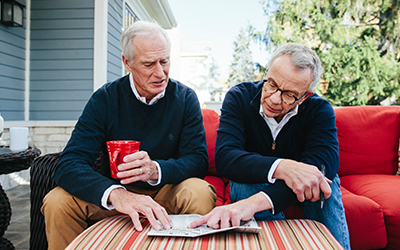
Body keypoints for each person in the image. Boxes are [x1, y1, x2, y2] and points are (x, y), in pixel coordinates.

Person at [41, 21, 216, 250]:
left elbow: (197, 160)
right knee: (57, 201)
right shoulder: (104, 99)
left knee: (200, 192)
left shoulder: (185, 98)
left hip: (165, 191)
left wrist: (155, 169)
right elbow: (69, 163)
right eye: (148, 64)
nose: (160, 72)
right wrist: (116, 193)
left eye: (164, 61)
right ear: (127, 63)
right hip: (114, 196)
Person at [189, 43, 350, 250]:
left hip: (299, 193)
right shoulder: (239, 96)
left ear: (305, 96)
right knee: (244, 184)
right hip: (250, 183)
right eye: (272, 84)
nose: (274, 99)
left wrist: (252, 204)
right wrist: (284, 168)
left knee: (323, 182)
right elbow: (226, 157)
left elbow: (323, 165)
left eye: (289, 95)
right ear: (266, 72)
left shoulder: (319, 109)